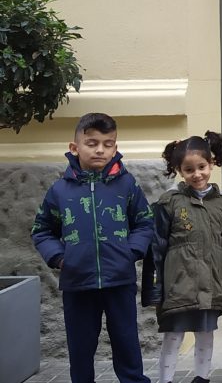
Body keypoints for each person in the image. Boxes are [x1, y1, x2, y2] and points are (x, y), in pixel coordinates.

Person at [31, 112, 155, 383]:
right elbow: (41, 230)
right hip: (77, 283)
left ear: (115, 147)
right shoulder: (59, 191)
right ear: (74, 147)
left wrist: (131, 253)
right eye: (92, 143)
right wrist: (60, 258)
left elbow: (145, 222)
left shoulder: (127, 184)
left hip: (119, 280)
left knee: (126, 343)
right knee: (80, 348)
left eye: (108, 144)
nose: (100, 149)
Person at [146, 132, 222, 383]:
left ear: (211, 164)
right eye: (189, 169)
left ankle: (202, 378)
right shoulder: (169, 203)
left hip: (211, 284)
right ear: (179, 171)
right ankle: (166, 379)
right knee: (173, 336)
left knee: (205, 334)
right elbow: (156, 248)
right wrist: (155, 289)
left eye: (201, 167)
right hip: (178, 286)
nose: (197, 174)